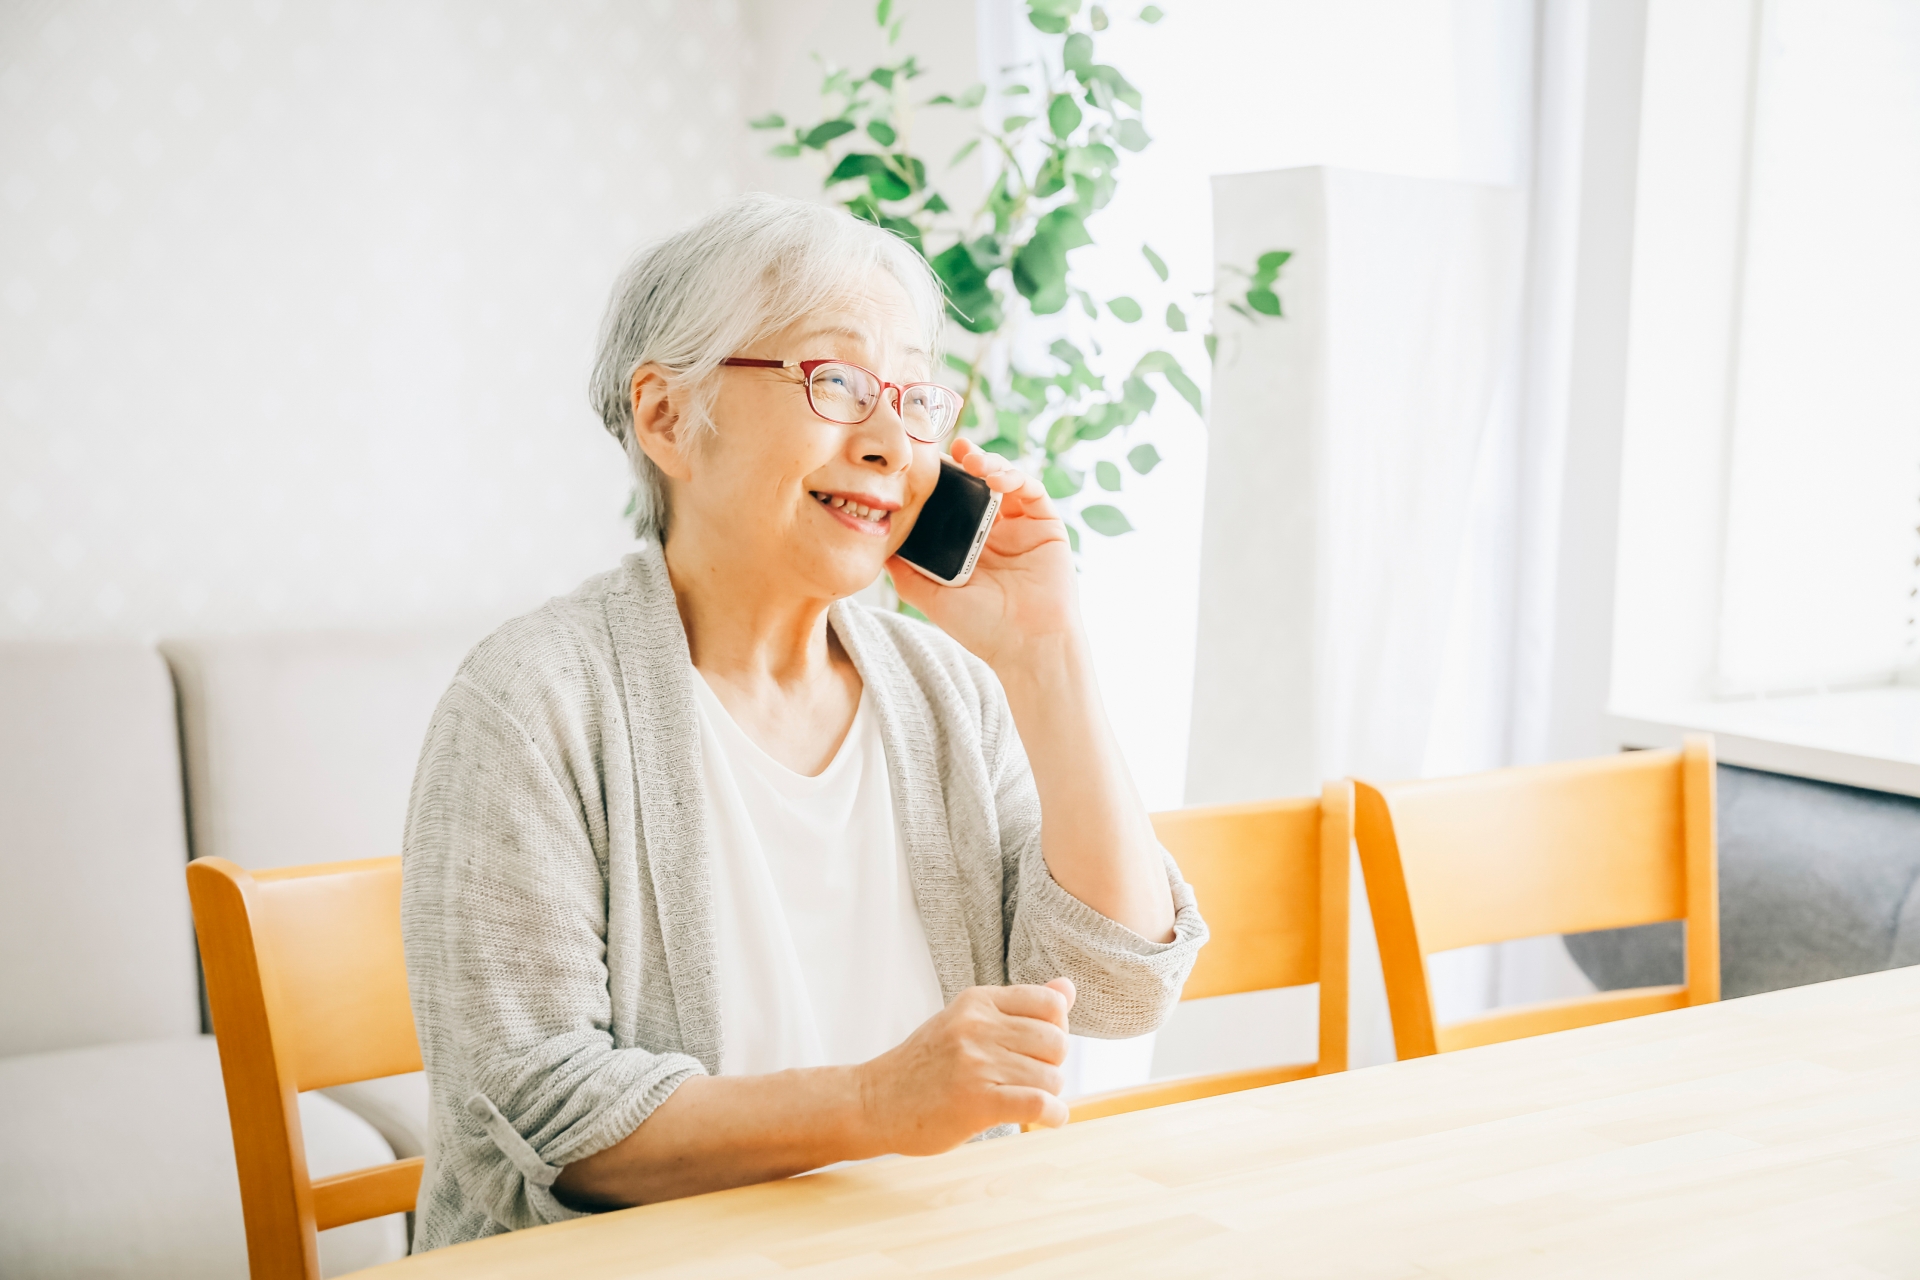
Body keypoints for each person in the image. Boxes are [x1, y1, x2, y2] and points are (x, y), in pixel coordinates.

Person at [400, 192, 1207, 1251]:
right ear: (667, 418)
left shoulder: (943, 688)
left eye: (916, 397)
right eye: (836, 383)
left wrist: (1045, 652)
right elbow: (549, 1112)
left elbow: (1116, 986)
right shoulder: (532, 701)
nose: (889, 441)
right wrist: (878, 1101)